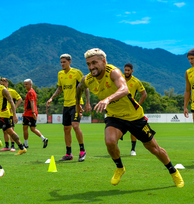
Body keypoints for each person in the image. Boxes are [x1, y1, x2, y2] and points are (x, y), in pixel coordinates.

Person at [76, 48, 184, 187]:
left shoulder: (113, 72)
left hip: (134, 116)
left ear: (103, 61)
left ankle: (173, 171)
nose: (91, 67)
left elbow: (124, 89)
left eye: (94, 63)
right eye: (88, 64)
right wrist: (79, 102)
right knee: (109, 142)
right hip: (114, 117)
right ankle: (120, 168)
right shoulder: (88, 79)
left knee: (153, 148)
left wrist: (107, 100)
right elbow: (79, 88)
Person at [47, 54, 91, 162]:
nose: (62, 64)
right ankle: (68, 153)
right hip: (66, 105)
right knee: (66, 129)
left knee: (75, 126)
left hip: (76, 104)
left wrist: (87, 103)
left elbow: (85, 87)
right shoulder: (60, 74)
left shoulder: (76, 73)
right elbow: (60, 88)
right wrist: (52, 98)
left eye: (64, 62)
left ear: (69, 62)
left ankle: (82, 150)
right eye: (61, 62)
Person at [0, 74, 27, 156]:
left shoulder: (3, 90)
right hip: (0, 114)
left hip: (4, 114)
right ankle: (22, 148)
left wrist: (14, 114)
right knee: (10, 132)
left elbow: (11, 102)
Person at [123, 63, 147, 156]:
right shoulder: (119, 79)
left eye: (128, 70)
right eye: (125, 70)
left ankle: (133, 149)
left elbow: (144, 94)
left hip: (131, 109)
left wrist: (138, 105)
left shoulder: (136, 81)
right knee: (116, 129)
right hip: (119, 108)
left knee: (133, 130)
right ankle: (114, 148)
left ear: (132, 71)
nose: (127, 72)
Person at [23, 79, 48, 148]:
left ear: (30, 85)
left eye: (26, 84)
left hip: (29, 113)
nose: (25, 85)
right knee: (33, 128)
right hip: (30, 112)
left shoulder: (30, 92)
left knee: (25, 128)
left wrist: (33, 112)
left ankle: (25, 144)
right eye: (24, 84)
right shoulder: (32, 91)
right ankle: (43, 139)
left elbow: (32, 102)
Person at [0, 78, 23, 152]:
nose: (2, 85)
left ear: (7, 84)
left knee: (11, 130)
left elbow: (20, 99)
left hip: (10, 114)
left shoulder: (12, 91)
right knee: (4, 130)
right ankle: (7, 146)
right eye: (1, 84)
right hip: (3, 113)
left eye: (4, 84)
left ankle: (13, 146)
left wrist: (14, 108)